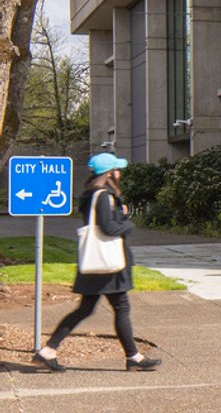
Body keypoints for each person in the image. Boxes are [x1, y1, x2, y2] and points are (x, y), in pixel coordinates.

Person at [32, 153, 162, 372]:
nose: (119, 173)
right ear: (109, 173)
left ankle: (48, 350)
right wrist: (128, 224)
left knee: (85, 308)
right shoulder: (103, 196)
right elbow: (108, 227)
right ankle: (134, 357)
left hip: (96, 263)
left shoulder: (92, 194)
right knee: (120, 308)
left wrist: (120, 214)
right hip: (107, 265)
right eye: (117, 170)